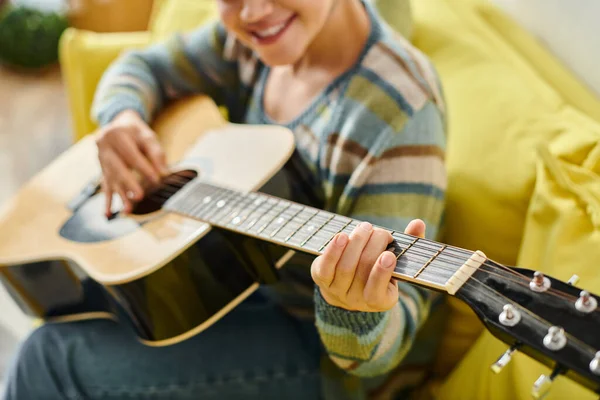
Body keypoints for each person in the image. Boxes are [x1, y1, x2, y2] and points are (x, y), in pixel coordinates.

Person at [3, 0, 447, 399]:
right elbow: (142, 66)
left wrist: (349, 307)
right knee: (78, 313)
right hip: (230, 282)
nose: (253, 13)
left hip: (322, 355)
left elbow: (384, 345)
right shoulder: (252, 40)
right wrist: (121, 118)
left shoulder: (400, 109)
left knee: (49, 358)